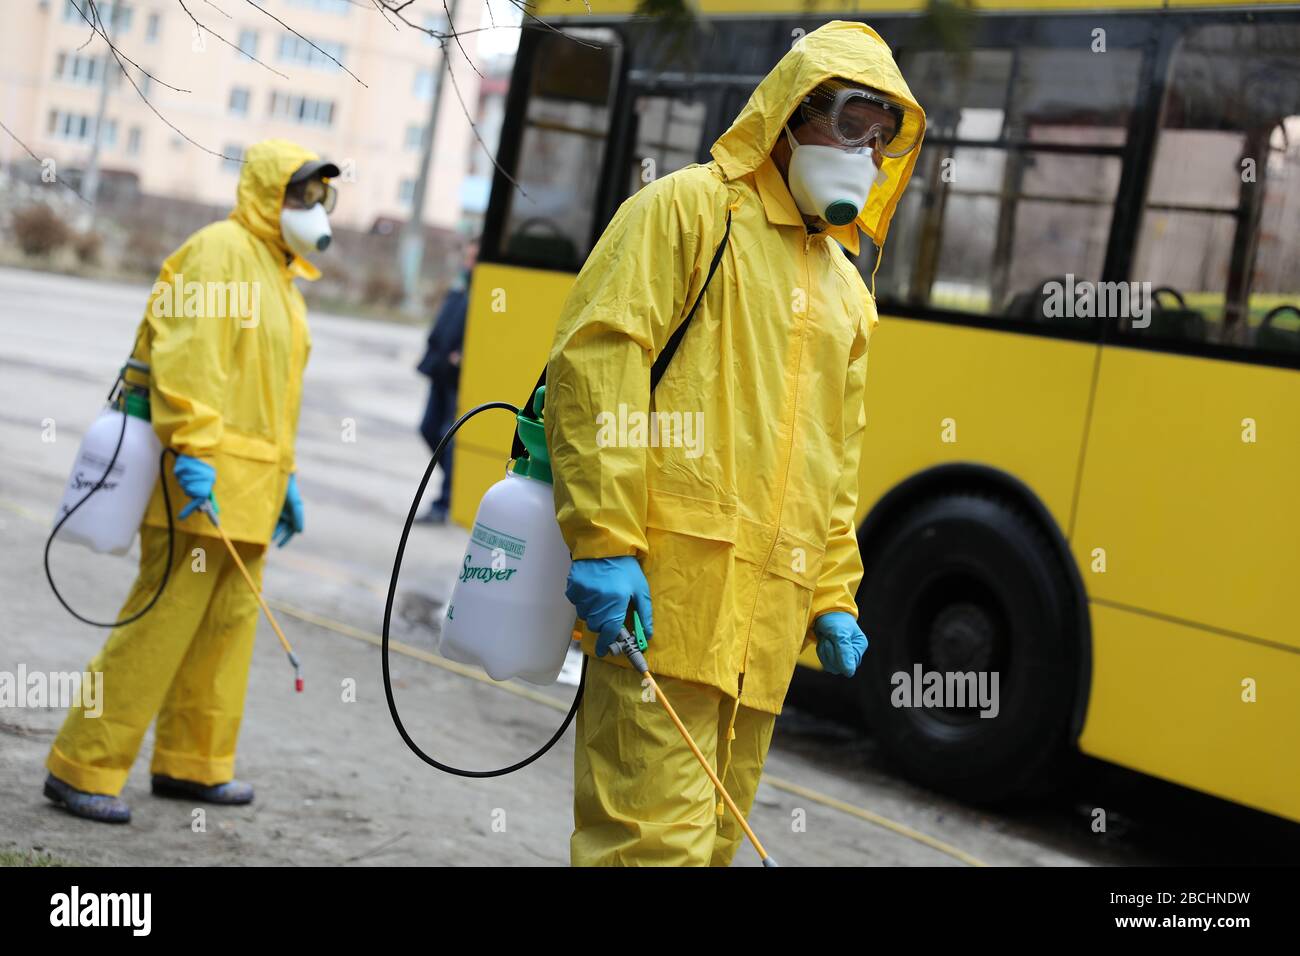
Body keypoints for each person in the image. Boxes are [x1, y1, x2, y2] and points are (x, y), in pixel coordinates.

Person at [545, 21, 925, 865]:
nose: (865, 153)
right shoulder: (688, 210)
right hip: (665, 605)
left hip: (765, 628)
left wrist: (832, 590)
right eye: (851, 124)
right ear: (791, 115)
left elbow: (834, 457)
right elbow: (599, 368)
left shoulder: (845, 293)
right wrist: (605, 541)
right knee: (650, 847)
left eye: (883, 138)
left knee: (712, 846)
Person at [43, 139, 338, 824]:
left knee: (224, 636)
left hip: (251, 491)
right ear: (268, 194)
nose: (311, 209)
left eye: (318, 198)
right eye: (300, 195)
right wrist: (195, 449)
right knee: (159, 627)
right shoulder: (218, 254)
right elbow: (189, 364)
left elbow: (269, 396)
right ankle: (82, 764)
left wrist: (284, 477)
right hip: (198, 485)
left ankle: (193, 764)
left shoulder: (278, 275)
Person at [415, 240, 477, 524]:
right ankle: (458, 485)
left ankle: (446, 500)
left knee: (449, 438)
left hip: (461, 377)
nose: (469, 262)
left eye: (474, 258)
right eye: (467, 256)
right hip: (440, 370)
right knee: (429, 429)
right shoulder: (461, 285)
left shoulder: (489, 289)